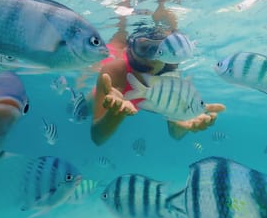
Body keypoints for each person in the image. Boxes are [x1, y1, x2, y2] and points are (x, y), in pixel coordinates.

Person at [90, 25, 226, 146]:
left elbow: (175, 134)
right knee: (87, 104)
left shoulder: (171, 76)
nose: (151, 58)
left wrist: (185, 118)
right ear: (130, 48)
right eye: (144, 48)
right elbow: (97, 138)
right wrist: (114, 113)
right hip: (111, 93)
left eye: (159, 50)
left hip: (148, 97)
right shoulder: (116, 70)